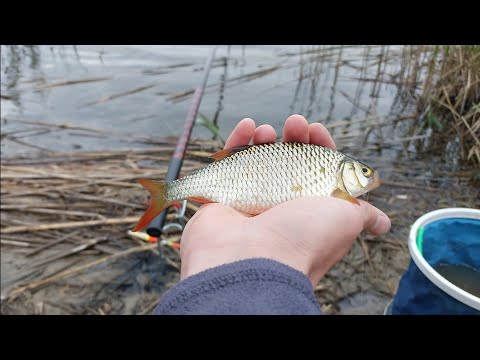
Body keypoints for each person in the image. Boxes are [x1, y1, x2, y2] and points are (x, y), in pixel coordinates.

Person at [153, 114, 391, 315]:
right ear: (346, 172)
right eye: (364, 172)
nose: (370, 178)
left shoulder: (334, 181)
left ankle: (165, 194)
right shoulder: (335, 183)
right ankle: (165, 194)